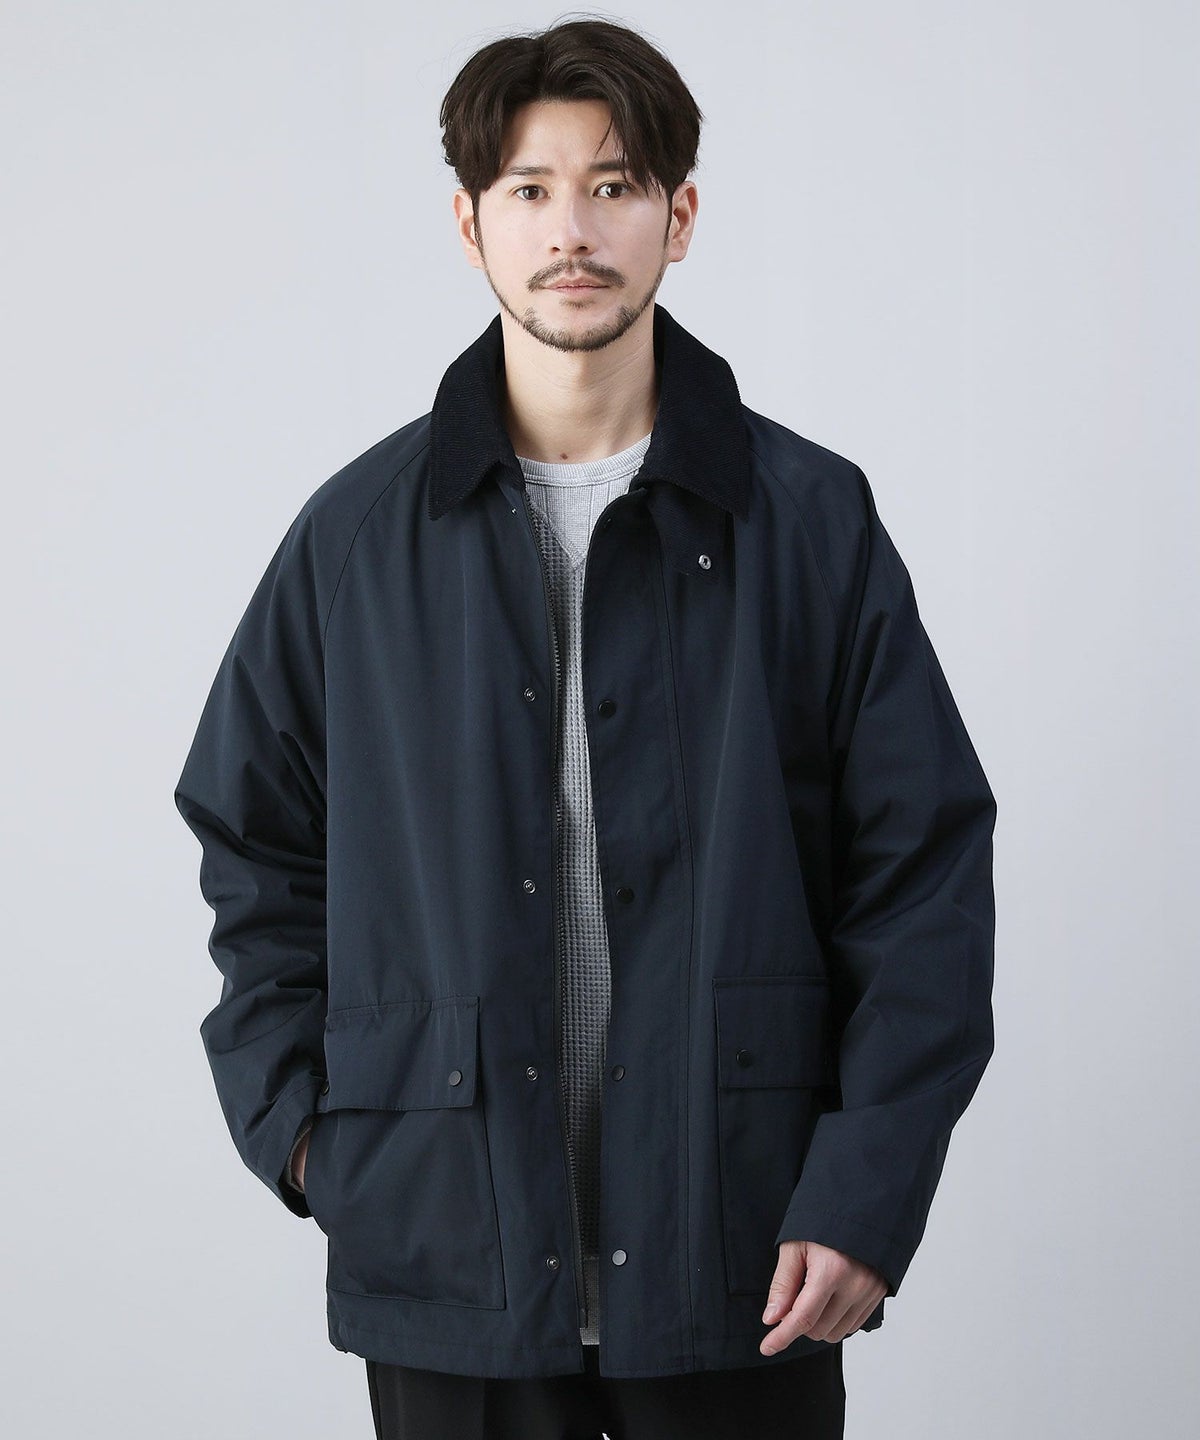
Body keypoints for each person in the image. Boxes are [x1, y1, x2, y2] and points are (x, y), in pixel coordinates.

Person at [174, 16, 996, 1440]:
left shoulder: (808, 523)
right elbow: (253, 845)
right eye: (530, 189)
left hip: (748, 1251)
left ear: (680, 216)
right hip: (448, 1250)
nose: (572, 230)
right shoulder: (357, 541)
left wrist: (867, 1188)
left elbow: (922, 874)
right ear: (470, 225)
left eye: (614, 186)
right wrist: (307, 1134)